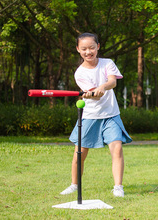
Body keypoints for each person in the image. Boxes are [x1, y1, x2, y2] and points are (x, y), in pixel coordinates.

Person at [60, 32, 132, 197]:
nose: (88, 52)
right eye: (84, 48)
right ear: (78, 49)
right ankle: (74, 185)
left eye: (91, 47)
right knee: (79, 153)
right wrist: (93, 93)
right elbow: (96, 95)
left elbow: (112, 81)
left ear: (98, 47)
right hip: (90, 116)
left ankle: (118, 187)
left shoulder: (107, 63)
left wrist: (103, 87)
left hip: (111, 115)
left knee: (117, 148)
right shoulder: (80, 73)